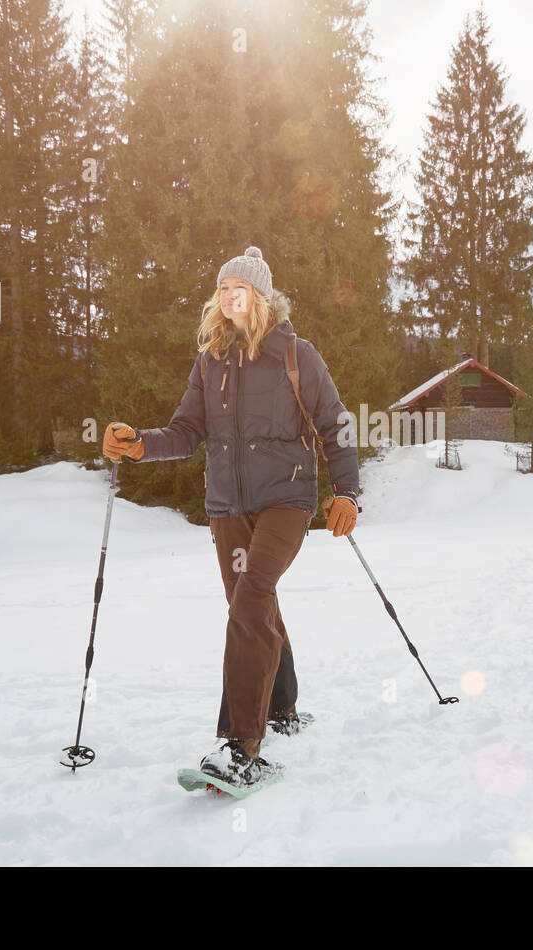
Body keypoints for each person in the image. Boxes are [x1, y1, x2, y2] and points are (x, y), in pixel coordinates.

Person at [102, 246, 359, 786]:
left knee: (250, 599)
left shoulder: (295, 354)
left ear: (260, 297)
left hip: (287, 500)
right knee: (252, 602)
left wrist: (348, 492)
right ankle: (283, 706)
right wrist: (140, 446)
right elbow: (187, 432)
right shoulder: (210, 361)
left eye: (237, 287)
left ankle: (241, 745)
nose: (227, 296)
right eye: (222, 289)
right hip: (226, 507)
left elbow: (335, 424)